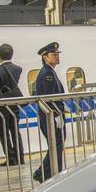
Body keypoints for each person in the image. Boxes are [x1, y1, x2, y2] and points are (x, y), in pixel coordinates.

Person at [33, 41, 66, 182]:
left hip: (52, 116)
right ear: (45, 57)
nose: (57, 56)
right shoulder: (47, 74)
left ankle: (49, 172)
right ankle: (46, 172)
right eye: (54, 54)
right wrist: (57, 115)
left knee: (57, 144)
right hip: (51, 117)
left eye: (58, 54)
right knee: (56, 144)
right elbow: (49, 98)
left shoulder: (50, 71)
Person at [0, 44, 24, 166]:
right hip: (14, 105)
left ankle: (11, 158)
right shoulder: (18, 69)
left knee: (4, 133)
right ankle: (20, 157)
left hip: (2, 106)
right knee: (16, 131)